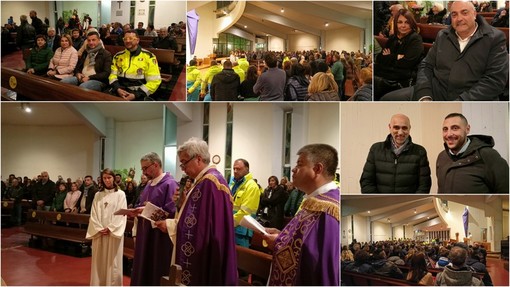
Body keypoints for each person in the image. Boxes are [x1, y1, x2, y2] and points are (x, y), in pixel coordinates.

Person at [388, 1, 509, 101]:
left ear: (474, 14)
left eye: (464, 13)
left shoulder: (494, 38)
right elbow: (426, 65)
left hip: (470, 96)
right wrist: (424, 94)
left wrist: (460, 102)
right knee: (388, 99)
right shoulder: (443, 35)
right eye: (454, 14)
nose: (459, 18)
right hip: (435, 91)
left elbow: (494, 80)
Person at [156, 137, 237, 285]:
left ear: (198, 159)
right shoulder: (204, 181)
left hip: (204, 255)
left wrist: (169, 226)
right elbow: (195, 218)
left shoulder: (209, 183)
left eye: (184, 162)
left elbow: (198, 229)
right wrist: (181, 204)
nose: (182, 167)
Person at [263, 144, 339, 285]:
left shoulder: (329, 208)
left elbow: (321, 263)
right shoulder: (314, 200)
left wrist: (279, 243)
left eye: (299, 164)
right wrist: (282, 236)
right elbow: (306, 240)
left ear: (317, 169)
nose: (293, 169)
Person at [129, 152, 178, 286]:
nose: (144, 172)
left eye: (145, 168)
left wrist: (147, 210)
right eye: (142, 169)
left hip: (158, 237)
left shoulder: (170, 184)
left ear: (155, 165)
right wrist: (136, 210)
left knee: (155, 268)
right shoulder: (149, 185)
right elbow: (142, 203)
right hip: (145, 234)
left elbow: (171, 213)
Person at [437, 113, 509, 193]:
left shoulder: (488, 156)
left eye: (455, 128)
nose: (449, 134)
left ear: (467, 129)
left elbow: (505, 194)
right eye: (445, 129)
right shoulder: (441, 157)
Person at [360, 114, 431, 193]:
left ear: (409, 128)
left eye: (404, 128)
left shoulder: (420, 152)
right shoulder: (376, 149)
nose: (400, 132)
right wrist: (377, 201)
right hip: (380, 203)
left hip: (410, 204)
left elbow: (424, 185)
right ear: (390, 127)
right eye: (396, 127)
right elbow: (366, 182)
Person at [86, 168, 127, 286]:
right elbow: (93, 214)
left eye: (109, 177)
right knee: (99, 262)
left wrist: (110, 228)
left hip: (113, 233)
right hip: (100, 233)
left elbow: (122, 214)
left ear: (114, 178)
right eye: (104, 178)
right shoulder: (98, 195)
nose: (107, 180)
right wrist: (99, 228)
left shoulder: (120, 194)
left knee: (112, 263)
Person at [376, 9, 423, 100]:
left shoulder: (415, 39)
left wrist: (389, 57)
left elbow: (407, 63)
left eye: (407, 22)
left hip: (403, 79)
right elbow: (380, 58)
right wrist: (397, 57)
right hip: (389, 74)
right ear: (396, 24)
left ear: (411, 23)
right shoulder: (393, 38)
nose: (403, 26)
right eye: (400, 22)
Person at [109, 30, 161, 101]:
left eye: (131, 38)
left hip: (139, 93)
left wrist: (135, 95)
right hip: (119, 91)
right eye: (125, 39)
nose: (127, 41)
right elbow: (112, 76)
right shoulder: (118, 56)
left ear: (137, 40)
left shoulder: (149, 56)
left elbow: (154, 81)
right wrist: (118, 88)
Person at [230, 159, 261, 247]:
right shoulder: (233, 184)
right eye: (234, 169)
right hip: (231, 228)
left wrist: (227, 223)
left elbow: (245, 212)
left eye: (238, 169)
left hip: (242, 231)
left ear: (247, 169)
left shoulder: (251, 186)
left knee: (240, 259)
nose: (235, 171)